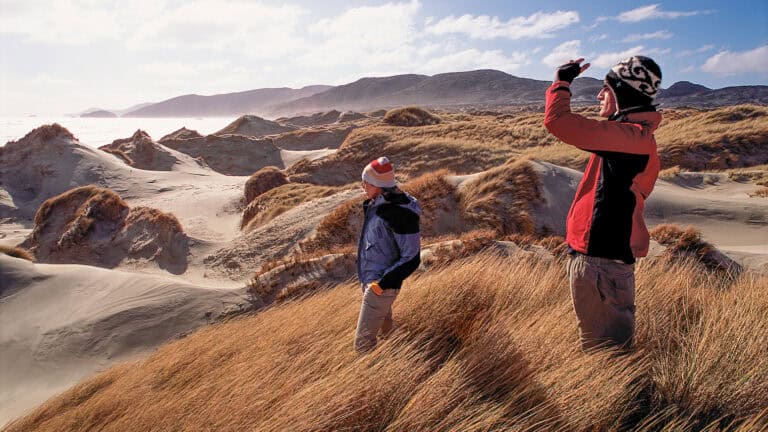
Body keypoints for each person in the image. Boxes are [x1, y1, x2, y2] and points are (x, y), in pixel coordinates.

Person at [543, 56, 662, 350]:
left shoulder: (632, 139)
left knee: (607, 355)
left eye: (606, 88)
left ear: (624, 93)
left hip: (602, 263)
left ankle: (623, 397)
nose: (599, 95)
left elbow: (559, 123)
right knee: (602, 348)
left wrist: (562, 83)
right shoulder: (628, 136)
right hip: (598, 262)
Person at [354, 157, 422, 353]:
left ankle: (368, 380)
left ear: (378, 184)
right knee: (386, 333)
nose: (363, 186)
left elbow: (412, 257)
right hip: (374, 282)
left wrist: (381, 285)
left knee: (362, 345)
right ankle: (398, 359)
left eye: (366, 182)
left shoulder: (399, 214)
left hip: (382, 285)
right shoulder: (377, 205)